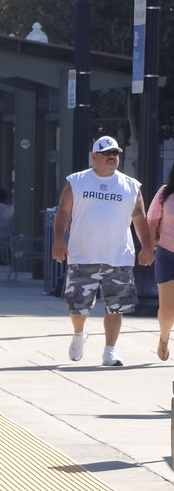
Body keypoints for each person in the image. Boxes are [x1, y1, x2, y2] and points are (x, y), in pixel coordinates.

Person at [51, 135, 154, 367]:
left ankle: (110, 351)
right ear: (94, 156)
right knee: (77, 307)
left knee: (116, 307)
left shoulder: (130, 186)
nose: (112, 157)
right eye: (107, 153)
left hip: (118, 257)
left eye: (115, 153)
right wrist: (59, 240)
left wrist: (147, 247)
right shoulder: (76, 182)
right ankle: (79, 334)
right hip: (82, 255)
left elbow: (140, 218)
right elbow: (63, 213)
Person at [146, 163, 174, 361]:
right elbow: (152, 220)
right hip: (167, 254)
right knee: (167, 309)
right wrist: (148, 248)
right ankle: (164, 337)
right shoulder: (165, 193)